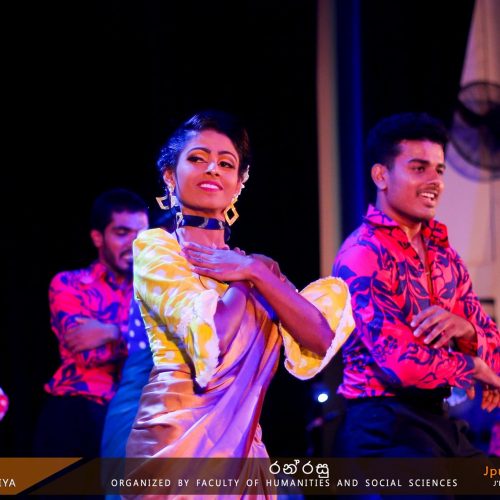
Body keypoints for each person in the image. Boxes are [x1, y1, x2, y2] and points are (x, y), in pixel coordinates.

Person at [125, 110, 354, 492]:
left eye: (226, 163)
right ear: (170, 175)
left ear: (239, 183)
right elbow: (215, 341)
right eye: (197, 158)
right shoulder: (159, 249)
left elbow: (320, 339)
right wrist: (247, 279)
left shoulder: (254, 268)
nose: (212, 169)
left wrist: (254, 271)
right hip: (178, 445)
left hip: (246, 455)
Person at [332, 112, 500, 460]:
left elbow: (493, 346)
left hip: (438, 421)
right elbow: (401, 365)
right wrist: (473, 367)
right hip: (382, 427)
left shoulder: (444, 255)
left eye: (439, 170)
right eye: (419, 168)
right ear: (381, 175)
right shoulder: (362, 254)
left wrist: (467, 329)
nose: (434, 181)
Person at [34, 188, 149, 457]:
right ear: (98, 237)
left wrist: (111, 331)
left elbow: (167, 350)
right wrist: (139, 338)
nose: (135, 243)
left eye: (142, 234)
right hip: (76, 411)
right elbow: (88, 353)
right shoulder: (69, 283)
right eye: (122, 233)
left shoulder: (152, 293)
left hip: (135, 415)